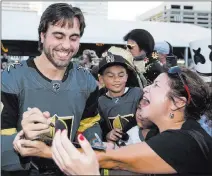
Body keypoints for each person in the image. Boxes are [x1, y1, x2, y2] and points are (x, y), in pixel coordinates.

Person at [52, 66, 212, 175]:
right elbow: (115, 153)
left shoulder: (182, 142)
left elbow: (113, 159)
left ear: (178, 102)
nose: (146, 89)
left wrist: (45, 149)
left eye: (155, 86)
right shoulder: (166, 133)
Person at [1, 3, 102, 176]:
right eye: (58, 35)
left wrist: (92, 144)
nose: (66, 45)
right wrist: (22, 139)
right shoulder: (11, 79)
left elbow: (90, 124)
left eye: (74, 37)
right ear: (42, 35)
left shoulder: (87, 81)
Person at [97, 46, 142, 145]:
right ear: (101, 79)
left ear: (127, 76)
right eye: (110, 76)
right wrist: (107, 135)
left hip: (140, 146)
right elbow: (101, 128)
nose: (116, 79)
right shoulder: (100, 102)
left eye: (121, 75)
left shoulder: (138, 93)